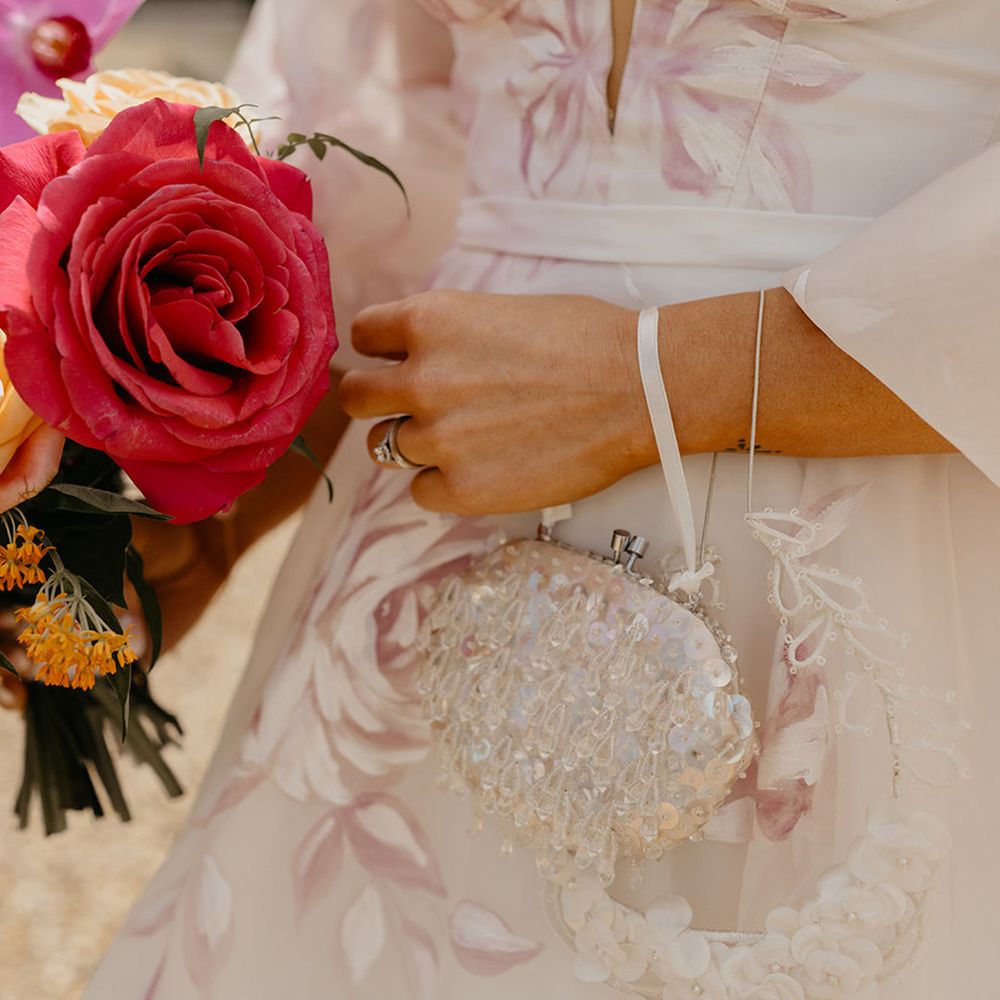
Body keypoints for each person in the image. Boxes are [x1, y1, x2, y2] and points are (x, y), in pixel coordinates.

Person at [88, 1, 1000, 997]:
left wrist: (652, 375)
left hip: (901, 498)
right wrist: (218, 490)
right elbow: (366, 115)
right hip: (443, 524)